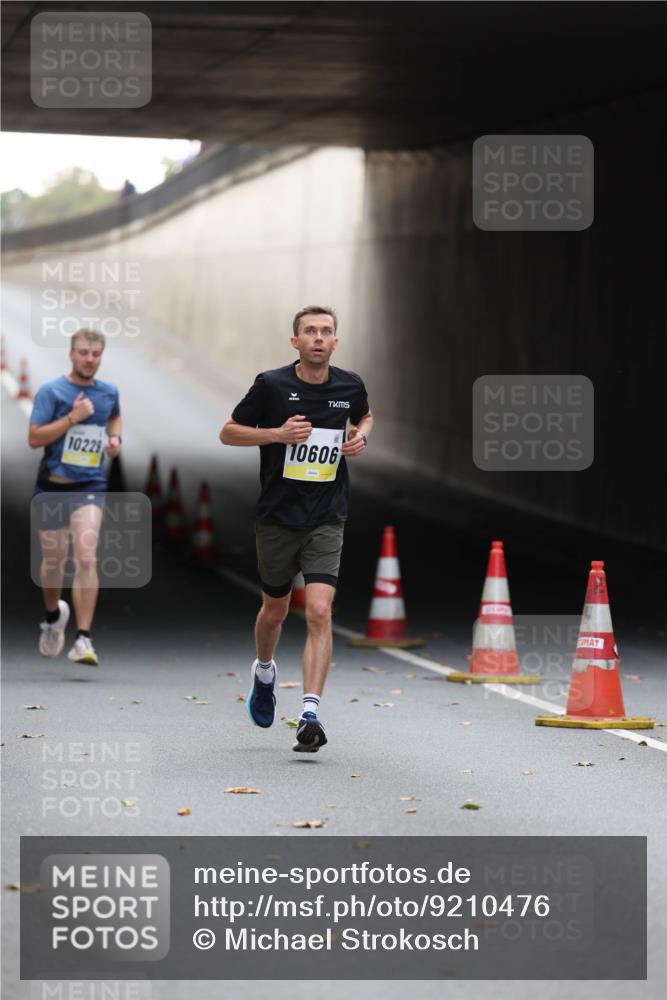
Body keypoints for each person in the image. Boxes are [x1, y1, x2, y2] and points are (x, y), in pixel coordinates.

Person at [220, 305, 373, 752]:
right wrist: (276, 435)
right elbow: (228, 432)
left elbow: (364, 415)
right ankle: (265, 671)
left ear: (335, 341)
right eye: (310, 331)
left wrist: (362, 435)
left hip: (327, 515)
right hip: (278, 516)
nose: (319, 338)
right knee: (276, 612)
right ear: (296, 342)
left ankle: (309, 713)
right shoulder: (271, 385)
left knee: (320, 610)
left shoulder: (350, 385)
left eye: (326, 331)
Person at [28, 329, 122, 666]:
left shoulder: (109, 392)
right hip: (53, 488)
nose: (89, 359)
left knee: (85, 556)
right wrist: (72, 418)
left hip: (90, 487)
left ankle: (83, 639)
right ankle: (53, 617)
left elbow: (114, 417)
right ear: (71, 354)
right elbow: (34, 438)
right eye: (83, 353)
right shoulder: (52, 391)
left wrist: (115, 440)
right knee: (54, 562)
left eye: (95, 354)